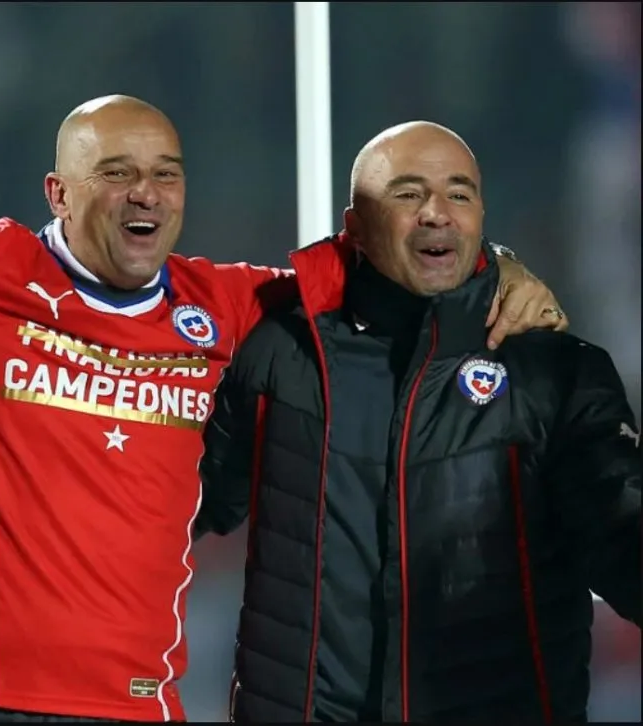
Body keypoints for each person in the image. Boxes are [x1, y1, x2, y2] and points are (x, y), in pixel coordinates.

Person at [0, 94, 566, 722]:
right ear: (58, 192)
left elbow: (401, 257)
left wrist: (501, 263)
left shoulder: (229, 308)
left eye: (164, 174)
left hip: (144, 704)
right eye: (115, 174)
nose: (145, 194)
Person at [195, 121, 641, 723]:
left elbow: (621, 529)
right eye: (408, 194)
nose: (437, 212)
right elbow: (182, 505)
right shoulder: (283, 354)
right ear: (354, 225)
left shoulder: (556, 373)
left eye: (459, 193)